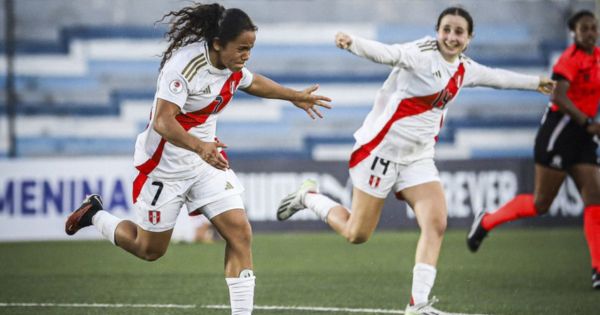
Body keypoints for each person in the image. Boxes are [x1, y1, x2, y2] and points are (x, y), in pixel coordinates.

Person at [276, 6, 554, 314]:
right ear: (437, 31)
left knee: (436, 222)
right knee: (357, 234)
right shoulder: (421, 54)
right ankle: (309, 197)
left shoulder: (463, 67)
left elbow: (496, 77)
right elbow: (388, 53)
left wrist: (536, 83)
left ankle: (417, 305)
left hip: (418, 157)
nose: (451, 37)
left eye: (459, 32)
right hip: (380, 152)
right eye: (446, 29)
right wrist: (353, 42)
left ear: (469, 38)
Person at [64, 3, 331, 314]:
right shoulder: (184, 66)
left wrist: (294, 96)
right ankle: (94, 214)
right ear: (218, 44)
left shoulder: (230, 66)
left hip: (205, 162)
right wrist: (201, 147)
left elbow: (253, 81)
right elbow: (163, 122)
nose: (246, 56)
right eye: (242, 48)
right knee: (149, 249)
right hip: (164, 167)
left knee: (240, 232)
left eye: (250, 49)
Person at [467, 10, 600, 290]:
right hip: (559, 133)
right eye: (584, 29)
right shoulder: (569, 60)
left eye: (594, 28)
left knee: (595, 198)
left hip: (583, 136)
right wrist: (587, 122)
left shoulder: (597, 56)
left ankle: (598, 269)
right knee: (541, 204)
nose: (590, 33)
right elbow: (559, 96)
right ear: (574, 33)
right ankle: (487, 221)